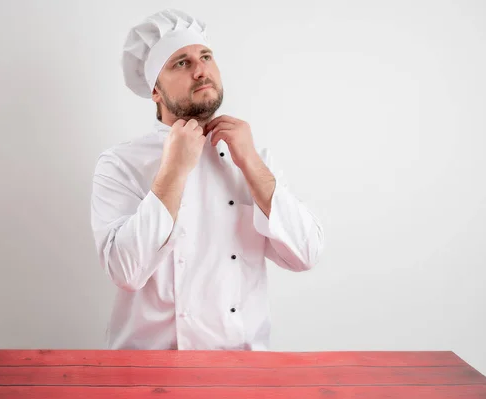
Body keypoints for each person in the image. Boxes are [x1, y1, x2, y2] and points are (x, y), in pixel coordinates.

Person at [90, 9, 324, 351]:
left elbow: (306, 254)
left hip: (243, 368)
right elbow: (125, 272)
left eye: (206, 56)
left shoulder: (253, 158)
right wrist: (174, 170)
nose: (201, 70)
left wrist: (251, 163)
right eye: (181, 63)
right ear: (155, 90)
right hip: (146, 369)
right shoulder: (120, 163)